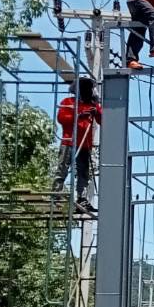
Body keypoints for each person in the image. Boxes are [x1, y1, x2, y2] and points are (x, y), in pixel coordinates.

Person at [53, 76, 102, 212]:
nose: (88, 91)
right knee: (62, 169)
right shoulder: (68, 102)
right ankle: (56, 197)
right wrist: (79, 115)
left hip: (85, 144)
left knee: (83, 173)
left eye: (89, 88)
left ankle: (82, 199)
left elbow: (102, 120)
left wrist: (97, 110)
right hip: (69, 142)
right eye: (85, 88)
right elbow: (62, 118)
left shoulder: (92, 105)